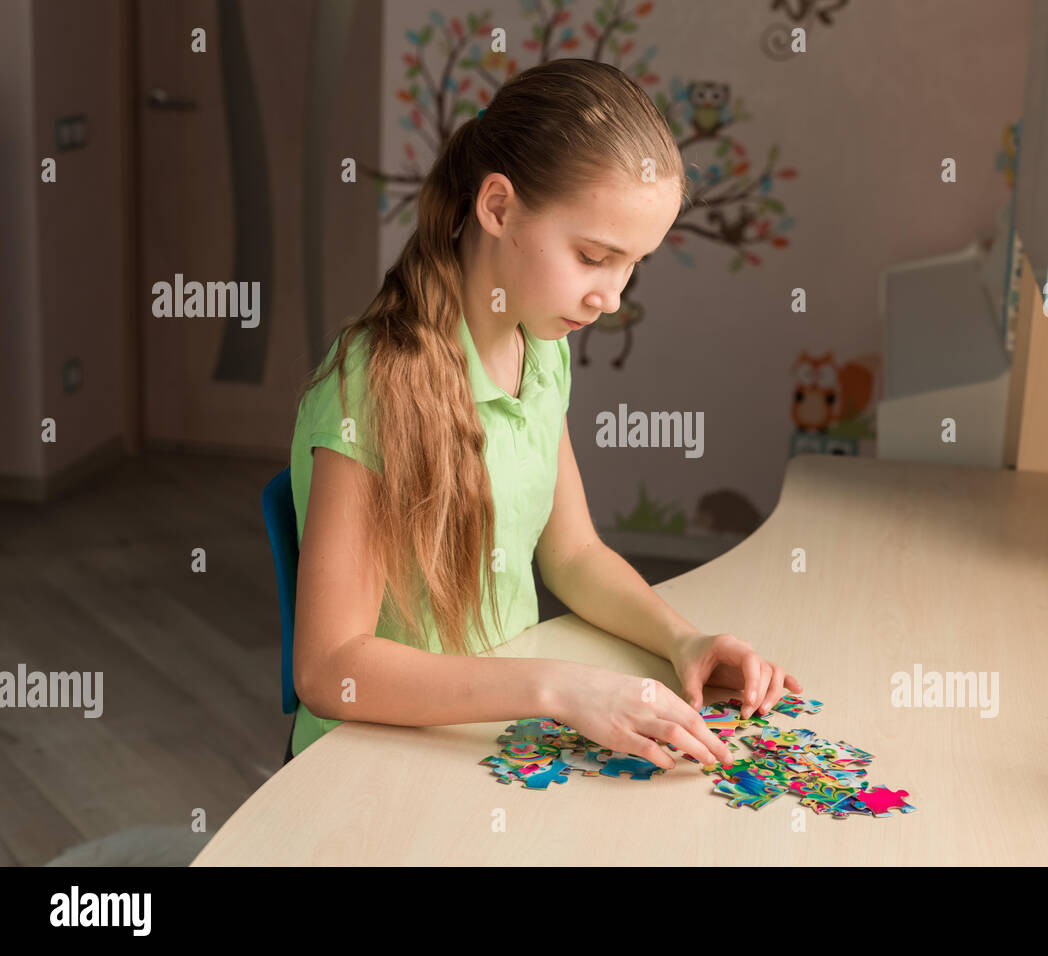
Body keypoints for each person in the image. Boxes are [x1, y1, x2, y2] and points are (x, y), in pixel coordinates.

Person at [285, 58, 801, 768]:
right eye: (594, 256)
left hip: (496, 742)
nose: (612, 297)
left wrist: (684, 640)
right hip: (376, 761)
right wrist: (560, 688)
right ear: (497, 208)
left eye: (632, 265)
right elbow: (329, 668)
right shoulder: (373, 389)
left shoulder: (541, 350)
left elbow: (574, 553)